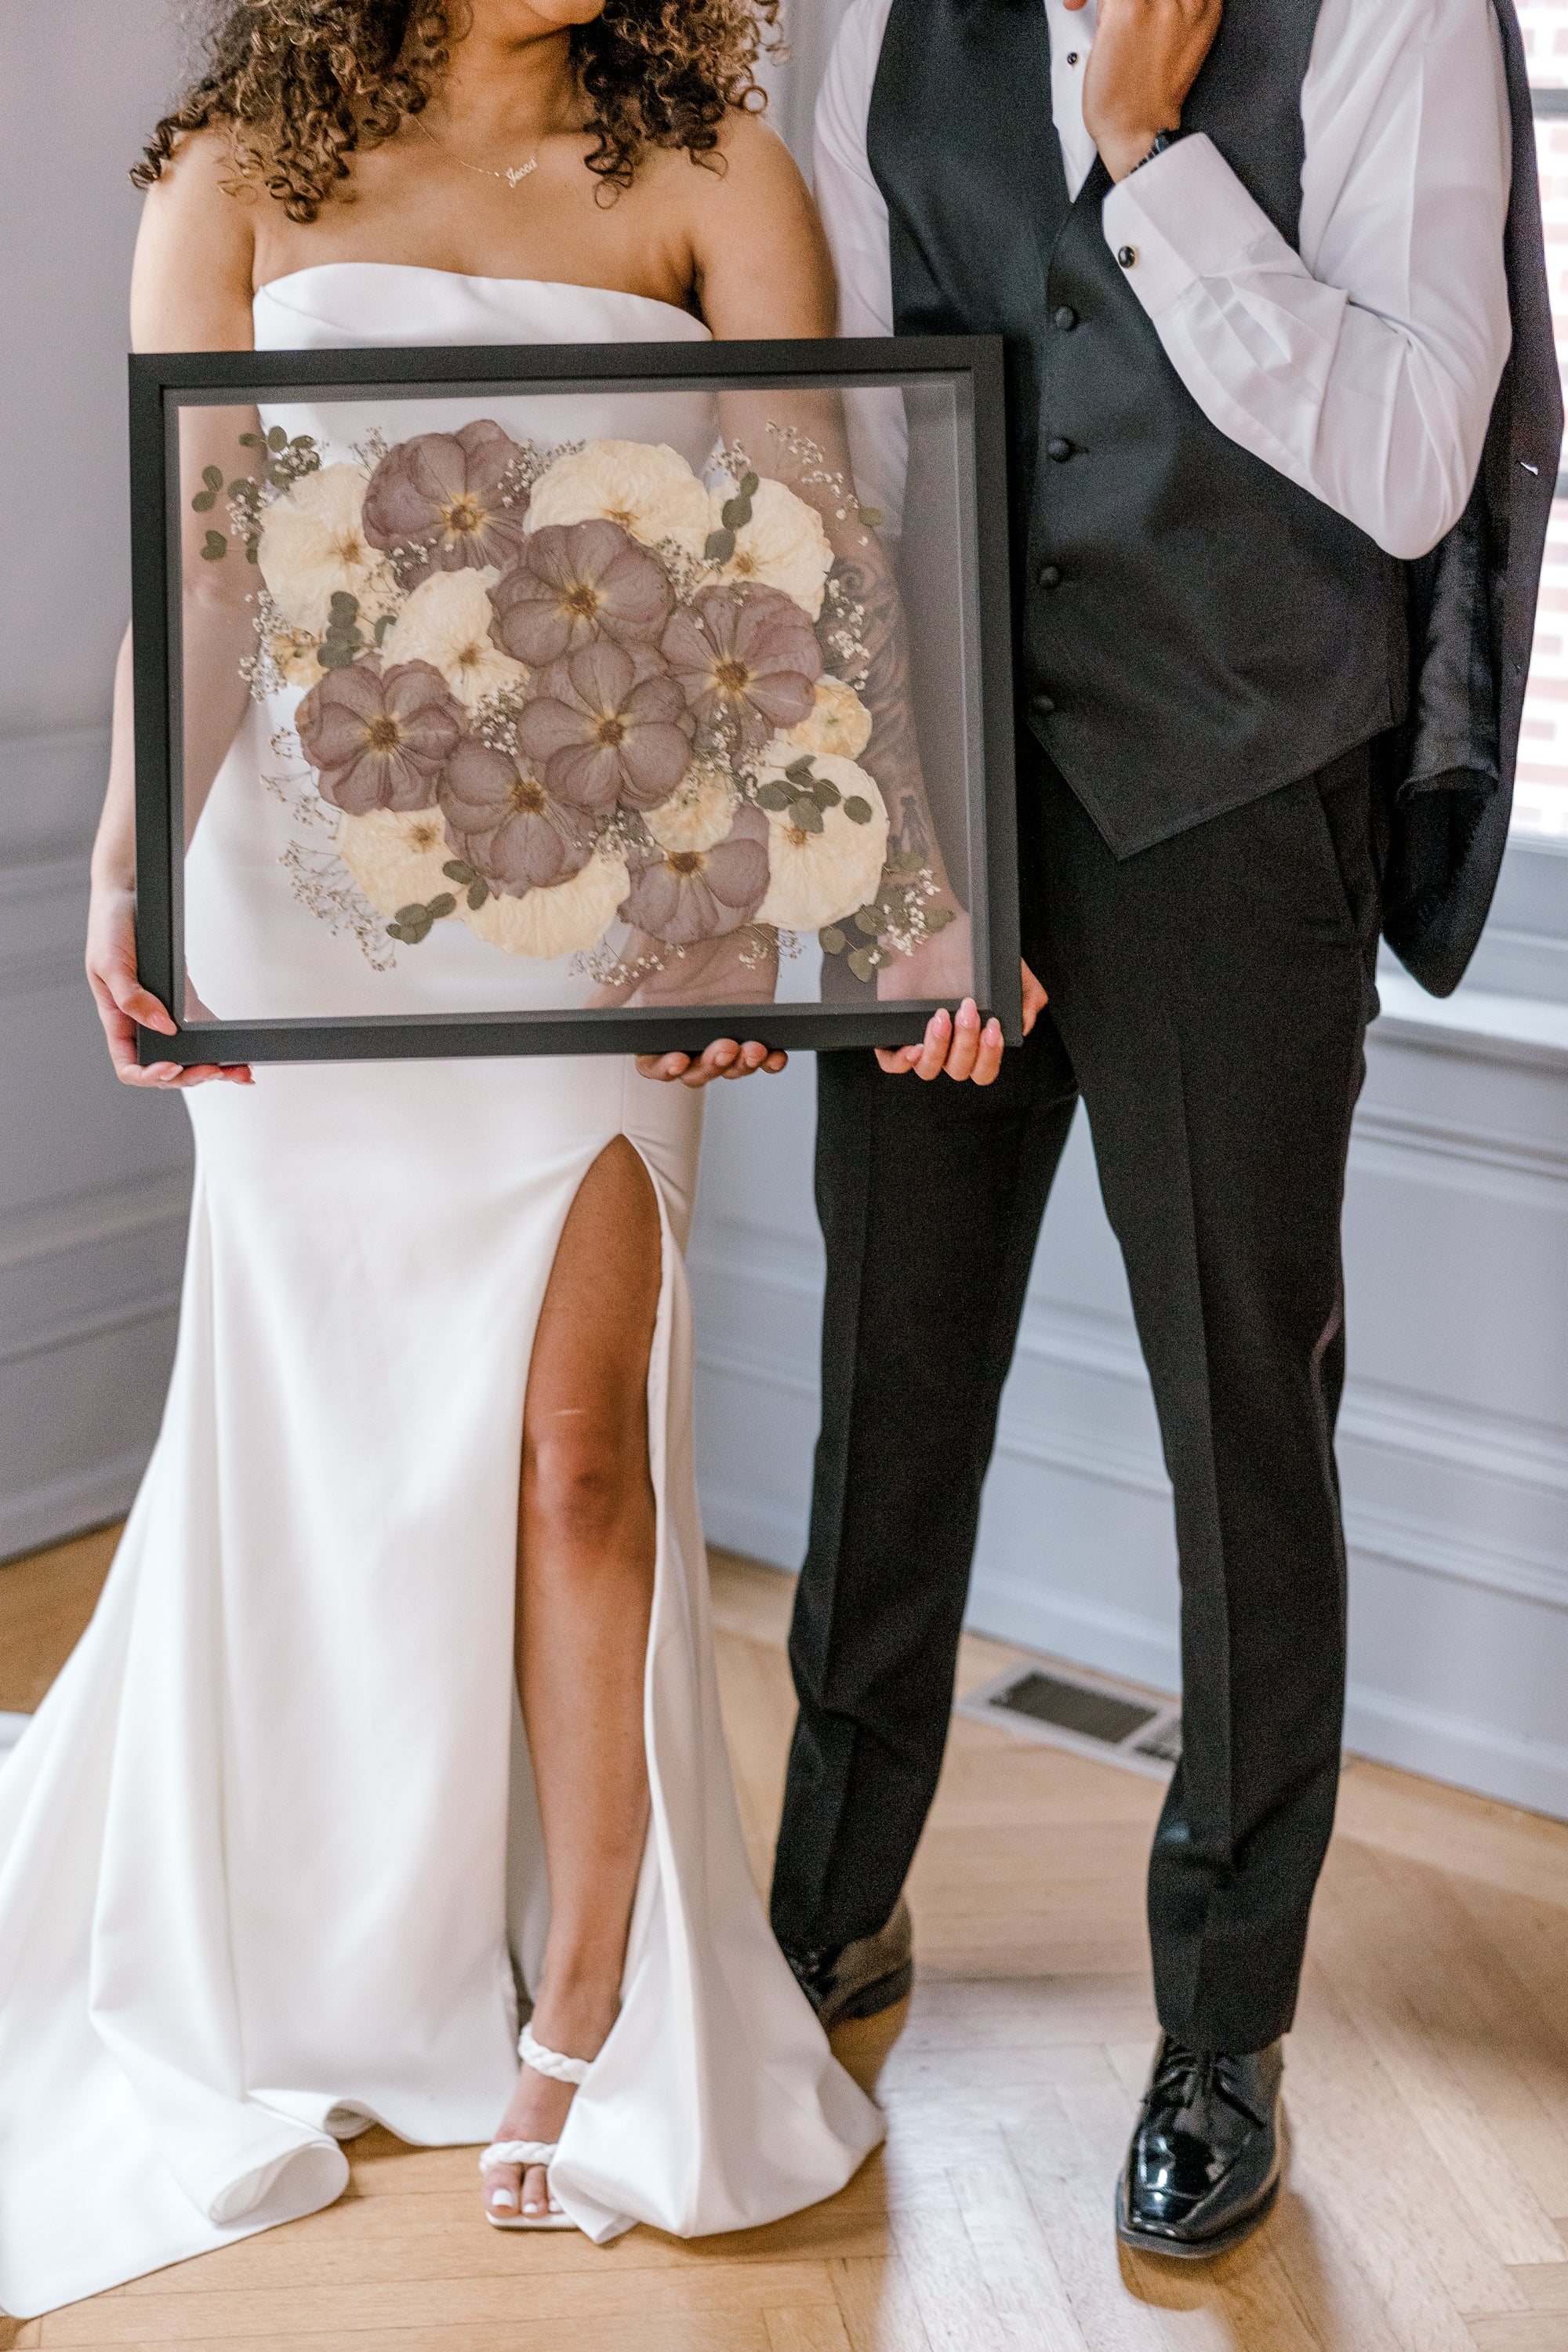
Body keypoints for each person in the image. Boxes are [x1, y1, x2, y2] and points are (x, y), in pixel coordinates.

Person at [0, 0, 887, 2318]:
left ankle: (588, 1995)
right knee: (334, 1443)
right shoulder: (237, 174)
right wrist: (123, 878)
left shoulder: (719, 167)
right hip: (312, 906)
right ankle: (335, 1932)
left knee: (581, 1455)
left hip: (608, 913)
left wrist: (798, 911)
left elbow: (811, 560)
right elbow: (198, 562)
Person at [768, 0, 1559, 2263]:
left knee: (1244, 1411)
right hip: (930, 799)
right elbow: (834, 427)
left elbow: (1420, 454)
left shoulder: (1390, 9)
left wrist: (1149, 154)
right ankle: (823, 1912)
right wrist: (905, 833)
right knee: (884, 1387)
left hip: (1232, 802)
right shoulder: (863, 15)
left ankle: (1226, 2020)